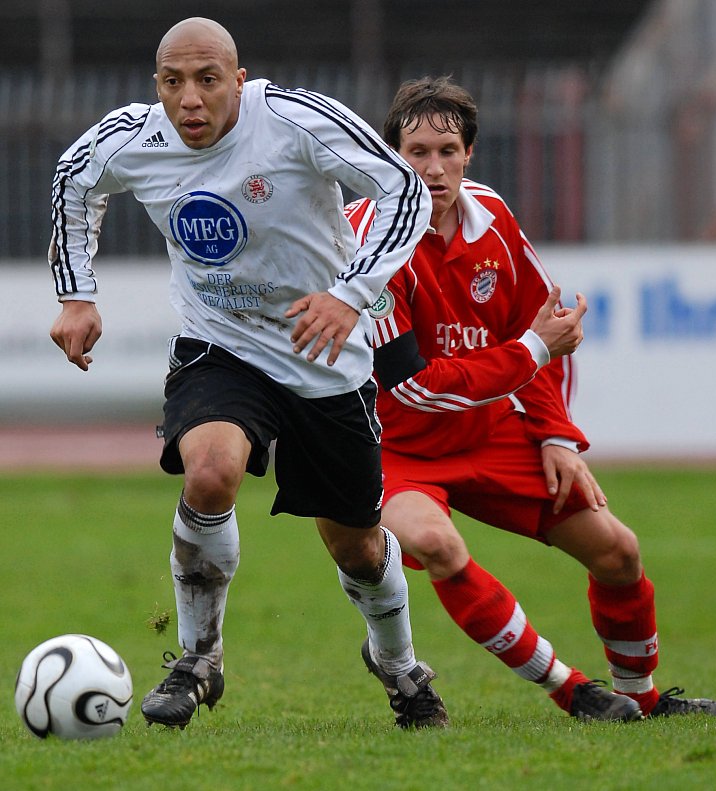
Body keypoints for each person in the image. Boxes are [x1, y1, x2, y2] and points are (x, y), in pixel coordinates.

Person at [47, 18, 463, 732]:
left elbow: (404, 189)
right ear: (157, 86)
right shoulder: (133, 138)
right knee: (210, 474)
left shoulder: (295, 121)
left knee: (359, 548)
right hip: (220, 342)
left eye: (207, 80)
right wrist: (76, 294)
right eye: (173, 82)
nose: (190, 99)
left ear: (238, 81)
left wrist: (350, 295)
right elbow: (72, 180)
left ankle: (399, 666)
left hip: (322, 353)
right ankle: (197, 658)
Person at [345, 76, 716, 720]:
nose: (434, 168)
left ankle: (641, 700)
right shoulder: (370, 239)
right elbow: (414, 385)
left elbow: (542, 324)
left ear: (469, 154)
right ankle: (571, 690)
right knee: (437, 545)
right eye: (417, 153)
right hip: (394, 448)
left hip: (489, 433)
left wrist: (555, 434)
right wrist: (531, 350)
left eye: (447, 151)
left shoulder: (493, 218)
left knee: (618, 551)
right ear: (393, 156)